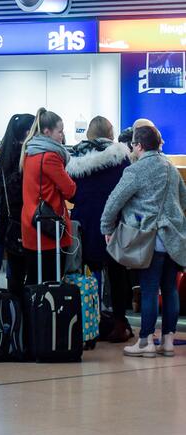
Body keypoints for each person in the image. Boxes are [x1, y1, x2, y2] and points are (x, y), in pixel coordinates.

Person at [101, 126, 185, 358]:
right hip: (174, 240)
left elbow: (114, 201)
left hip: (149, 239)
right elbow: (183, 200)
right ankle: (167, 341)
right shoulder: (171, 168)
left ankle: (146, 341)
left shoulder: (135, 170)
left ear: (138, 145)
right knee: (170, 290)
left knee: (148, 290)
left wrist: (106, 227)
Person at [66, 116, 134, 343]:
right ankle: (119, 323)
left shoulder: (75, 157)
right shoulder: (120, 156)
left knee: (83, 270)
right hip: (113, 220)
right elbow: (128, 186)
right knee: (116, 272)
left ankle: (86, 321)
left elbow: (71, 190)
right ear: (110, 132)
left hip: (83, 220)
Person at [0, 113, 36, 297]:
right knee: (23, 263)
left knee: (5, 256)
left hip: (2, 217)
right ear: (27, 132)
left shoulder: (3, 158)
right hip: (23, 220)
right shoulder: (29, 158)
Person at [20, 108, 76, 286]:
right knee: (51, 284)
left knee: (34, 280)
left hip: (31, 223)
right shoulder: (50, 157)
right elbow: (70, 190)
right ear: (47, 132)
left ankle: (31, 314)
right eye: (60, 131)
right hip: (49, 228)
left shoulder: (30, 153)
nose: (62, 135)